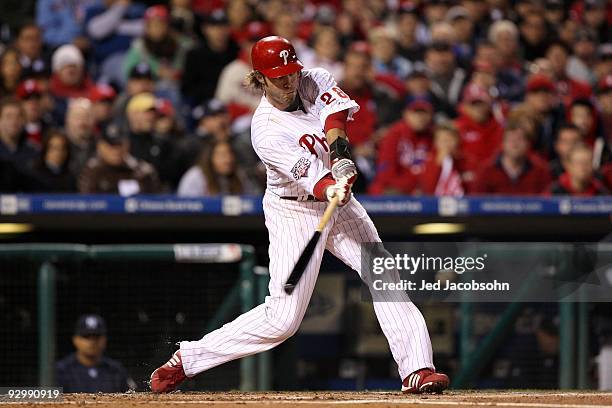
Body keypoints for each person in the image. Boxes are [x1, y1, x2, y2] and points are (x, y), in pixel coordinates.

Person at [150, 35, 449, 395]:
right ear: (260, 77)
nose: (289, 80)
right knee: (282, 320)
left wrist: (340, 160)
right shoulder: (264, 129)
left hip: (337, 199)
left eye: (290, 71)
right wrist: (330, 185)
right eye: (278, 75)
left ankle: (417, 368)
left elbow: (335, 120)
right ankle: (191, 358)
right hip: (294, 209)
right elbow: (311, 177)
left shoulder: (314, 77)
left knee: (382, 271)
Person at [55, 314, 133, 393]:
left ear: (104, 340)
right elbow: (45, 400)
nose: (92, 342)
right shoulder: (61, 370)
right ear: (75, 340)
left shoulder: (116, 370)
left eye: (96, 337)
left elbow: (134, 399)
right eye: (86, 336)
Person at [78, 123, 160, 195]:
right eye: (111, 145)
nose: (116, 150)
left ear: (127, 145)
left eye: (119, 144)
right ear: (100, 146)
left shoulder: (142, 172)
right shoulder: (92, 173)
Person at [472, 121, 551, 195]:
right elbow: (477, 203)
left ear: (528, 144)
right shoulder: (486, 170)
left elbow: (546, 202)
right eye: (510, 140)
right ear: (502, 143)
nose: (515, 144)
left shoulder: (540, 171)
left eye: (520, 139)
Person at [177, 140, 257, 196]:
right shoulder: (196, 176)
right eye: (222, 155)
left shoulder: (240, 175)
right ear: (210, 158)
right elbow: (187, 206)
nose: (228, 160)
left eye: (230, 154)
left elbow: (252, 200)